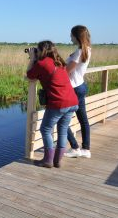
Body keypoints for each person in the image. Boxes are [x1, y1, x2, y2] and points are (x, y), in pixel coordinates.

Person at [26, 40, 79, 168]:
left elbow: (29, 76)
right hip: (72, 101)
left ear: (42, 51)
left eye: (38, 50)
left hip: (58, 102)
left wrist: (32, 58)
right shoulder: (59, 62)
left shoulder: (42, 63)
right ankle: (57, 161)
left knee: (45, 129)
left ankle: (48, 160)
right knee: (62, 130)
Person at [64, 25, 92, 158]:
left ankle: (75, 147)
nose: (70, 37)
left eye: (71, 35)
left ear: (77, 36)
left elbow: (66, 71)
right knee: (83, 120)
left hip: (73, 89)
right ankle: (86, 149)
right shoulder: (87, 50)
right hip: (80, 86)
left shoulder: (79, 52)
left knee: (61, 119)